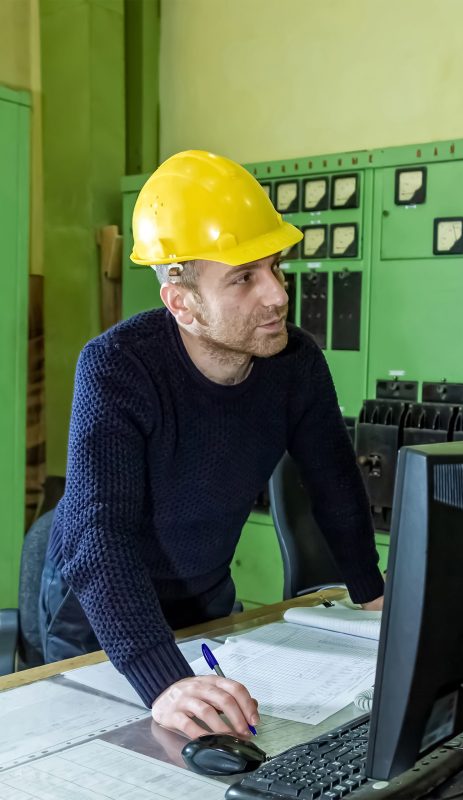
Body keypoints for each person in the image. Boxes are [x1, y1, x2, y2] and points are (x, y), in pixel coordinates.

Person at [38, 150, 384, 740]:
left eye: (273, 266)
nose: (277, 295)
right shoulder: (118, 366)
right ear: (182, 303)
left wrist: (374, 598)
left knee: (225, 745)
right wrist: (163, 680)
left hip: (206, 594)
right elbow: (99, 534)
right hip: (104, 609)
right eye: (244, 278)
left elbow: (333, 482)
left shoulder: (295, 363)